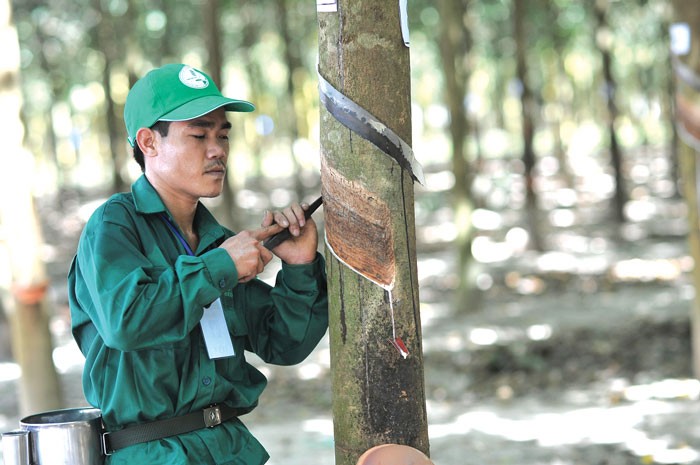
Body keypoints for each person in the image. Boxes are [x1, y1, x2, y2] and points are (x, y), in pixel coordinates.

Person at [68, 63, 329, 465]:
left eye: (222, 135)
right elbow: (126, 321)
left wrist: (299, 266)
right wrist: (218, 267)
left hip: (229, 449)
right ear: (149, 142)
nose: (218, 150)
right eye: (199, 135)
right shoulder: (114, 225)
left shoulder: (217, 241)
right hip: (153, 454)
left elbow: (285, 343)